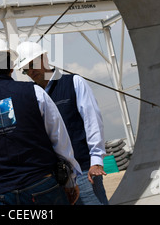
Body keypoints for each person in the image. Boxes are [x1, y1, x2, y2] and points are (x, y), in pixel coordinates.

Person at [0, 36, 81, 205]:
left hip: (1, 194)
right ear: (11, 66)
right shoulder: (35, 92)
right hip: (43, 187)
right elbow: (60, 139)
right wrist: (70, 181)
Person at [16, 41, 109, 205]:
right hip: (55, 179)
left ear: (43, 59)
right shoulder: (31, 95)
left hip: (84, 170)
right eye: (25, 69)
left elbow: (92, 121)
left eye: (32, 65)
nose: (30, 72)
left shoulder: (74, 83)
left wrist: (96, 161)